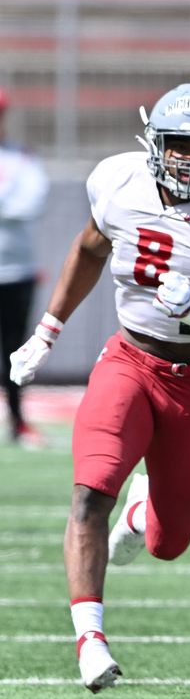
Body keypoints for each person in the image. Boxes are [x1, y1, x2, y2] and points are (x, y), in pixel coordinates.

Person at [8, 83, 190, 691]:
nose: (189, 158)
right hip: (129, 361)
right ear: (153, 142)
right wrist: (45, 334)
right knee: (89, 493)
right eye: (178, 144)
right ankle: (90, 638)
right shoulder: (118, 183)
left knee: (167, 543)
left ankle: (141, 511)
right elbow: (88, 248)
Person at [0, 87, 51, 448]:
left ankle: (17, 421)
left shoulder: (21, 158)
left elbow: (32, 203)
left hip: (15, 272)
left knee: (15, 351)